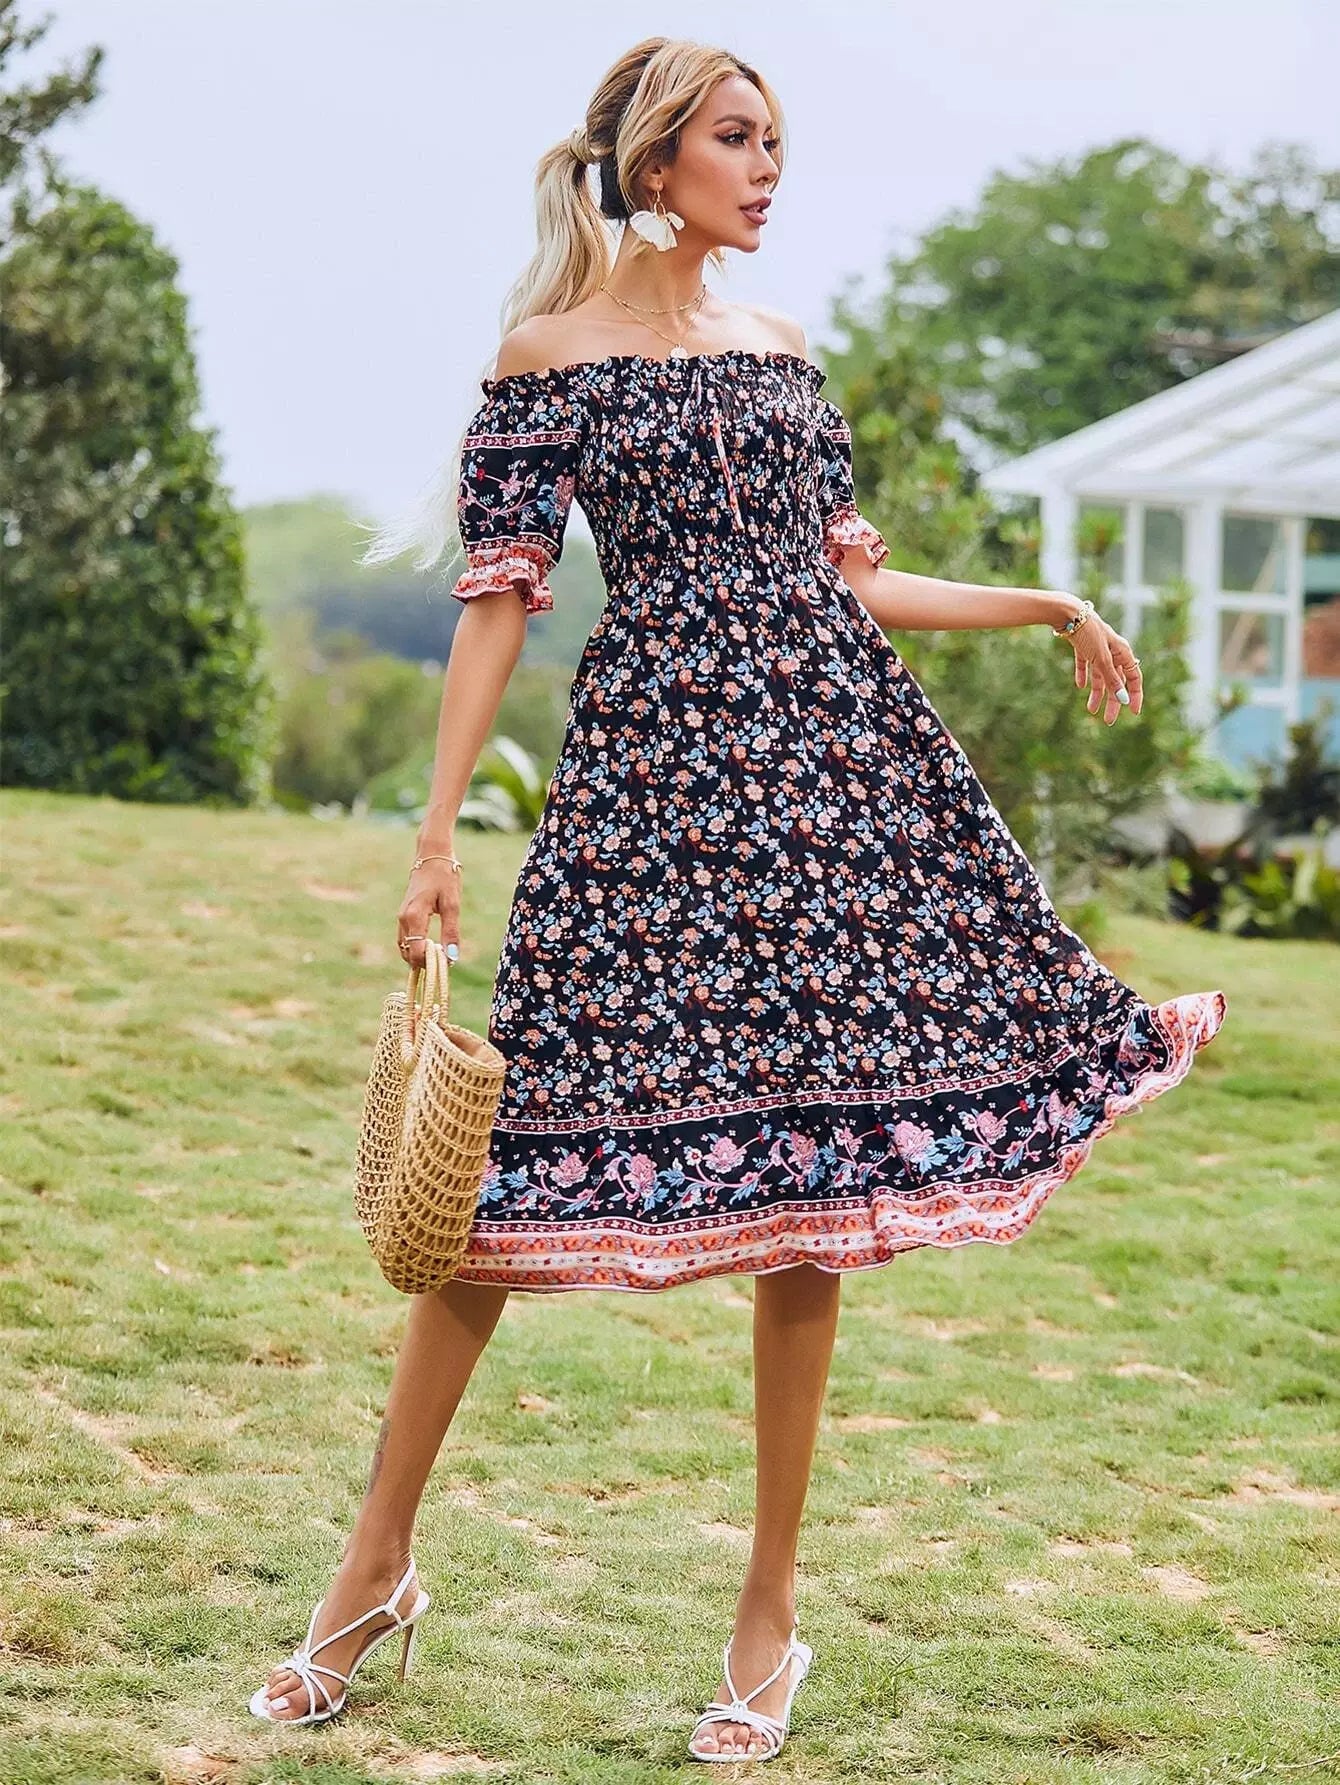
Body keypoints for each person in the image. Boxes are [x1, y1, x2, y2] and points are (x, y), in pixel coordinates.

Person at [250, 34, 1227, 1761]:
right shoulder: (548, 359)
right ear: (656, 162)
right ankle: (370, 1569)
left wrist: (1047, 604)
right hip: (642, 799)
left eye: (778, 142)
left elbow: (854, 586)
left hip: (827, 796)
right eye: (738, 138)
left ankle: (767, 1617)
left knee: (810, 1192)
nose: (768, 169)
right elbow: (499, 602)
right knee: (494, 1180)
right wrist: (434, 835)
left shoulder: (786, 353)